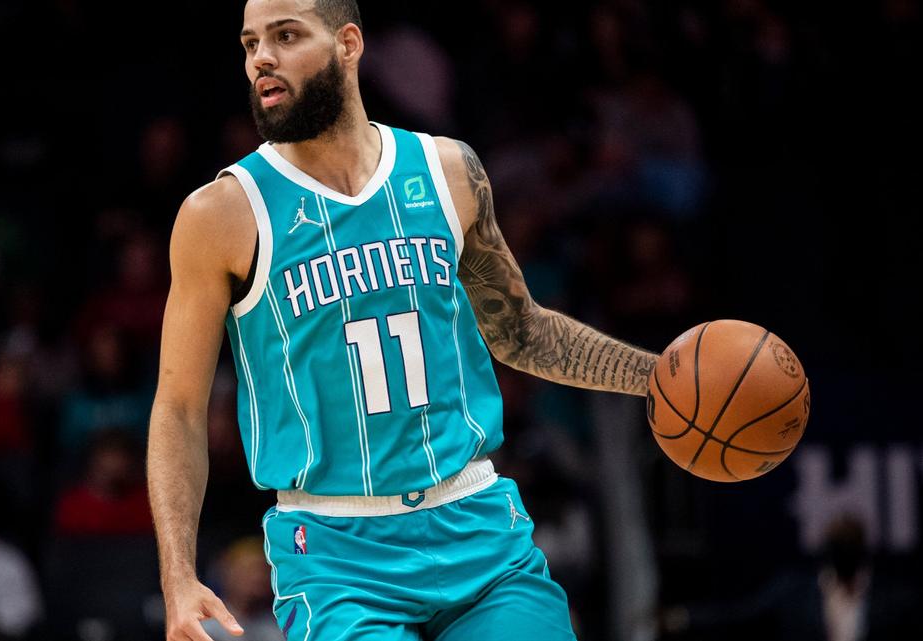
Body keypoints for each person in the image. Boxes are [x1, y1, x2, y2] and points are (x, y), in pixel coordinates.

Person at [147, 2, 657, 640]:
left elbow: (519, 330)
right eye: (250, 43)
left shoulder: (448, 170)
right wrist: (177, 576)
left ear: (349, 44)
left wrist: (656, 376)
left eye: (285, 36)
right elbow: (179, 408)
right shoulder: (222, 213)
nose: (262, 59)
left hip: (476, 524)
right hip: (338, 554)